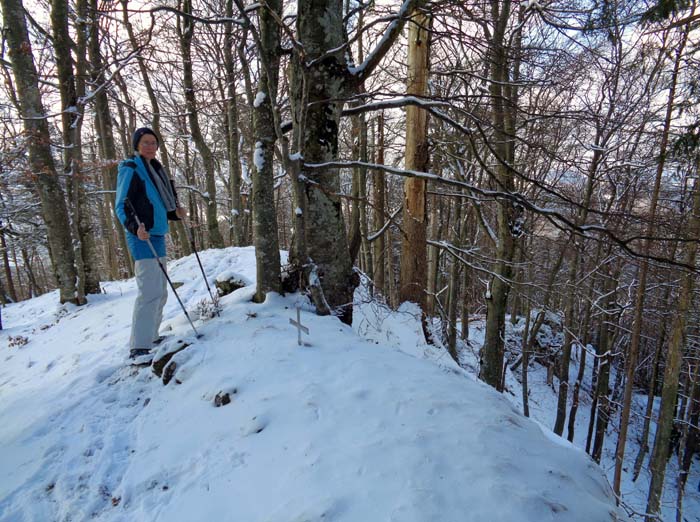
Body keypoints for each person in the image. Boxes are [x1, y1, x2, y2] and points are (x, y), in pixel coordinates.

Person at [115, 127, 186, 360]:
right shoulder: (131, 168)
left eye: (153, 143)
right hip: (141, 235)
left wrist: (175, 213)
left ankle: (151, 336)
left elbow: (158, 202)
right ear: (136, 145)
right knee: (149, 291)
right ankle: (139, 347)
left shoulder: (156, 168)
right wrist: (136, 227)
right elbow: (122, 204)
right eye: (145, 142)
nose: (150, 146)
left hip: (157, 232)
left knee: (161, 290)